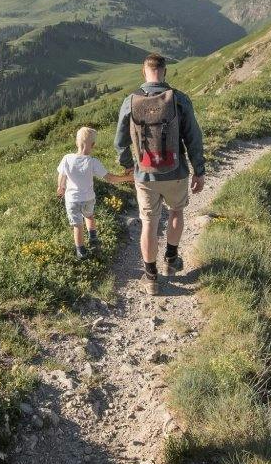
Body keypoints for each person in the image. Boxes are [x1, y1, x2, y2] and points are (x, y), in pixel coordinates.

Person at [115, 53, 205, 294]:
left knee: (149, 223)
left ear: (144, 71)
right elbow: (194, 138)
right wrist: (199, 171)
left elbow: (120, 142)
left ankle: (151, 277)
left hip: (145, 175)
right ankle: (171, 260)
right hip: (176, 172)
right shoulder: (179, 99)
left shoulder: (130, 101)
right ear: (164, 72)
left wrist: (128, 164)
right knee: (176, 211)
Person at [56, 126, 133, 258]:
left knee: (78, 226)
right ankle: (93, 237)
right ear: (93, 145)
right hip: (88, 198)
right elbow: (110, 178)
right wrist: (129, 178)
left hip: (72, 200)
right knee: (89, 216)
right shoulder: (93, 162)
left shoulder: (67, 158)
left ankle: (81, 250)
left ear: (76, 142)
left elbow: (62, 176)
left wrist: (61, 187)